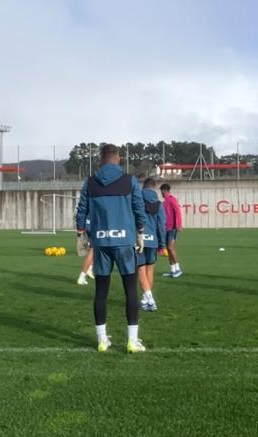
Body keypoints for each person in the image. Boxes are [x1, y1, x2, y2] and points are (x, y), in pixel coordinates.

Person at [76, 144, 149, 352]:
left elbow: (82, 209)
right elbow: (138, 207)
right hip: (124, 243)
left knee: (101, 292)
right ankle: (132, 341)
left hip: (101, 243)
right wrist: (141, 230)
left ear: (101, 158)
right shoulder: (129, 181)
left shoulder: (90, 183)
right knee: (130, 291)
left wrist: (80, 232)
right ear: (118, 159)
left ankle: (101, 340)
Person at [138, 177, 167, 311]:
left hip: (139, 240)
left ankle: (149, 299)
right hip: (153, 241)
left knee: (140, 269)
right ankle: (145, 298)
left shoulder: (137, 201)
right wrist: (162, 244)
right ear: (154, 187)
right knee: (150, 269)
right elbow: (161, 225)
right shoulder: (159, 204)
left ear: (143, 187)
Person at [161, 182, 184, 277]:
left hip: (172, 228)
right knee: (168, 249)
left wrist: (179, 224)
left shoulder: (171, 199)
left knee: (170, 248)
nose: (161, 194)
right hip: (166, 228)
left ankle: (178, 269)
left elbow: (178, 211)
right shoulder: (164, 202)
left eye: (161, 191)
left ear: (164, 191)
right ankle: (173, 270)